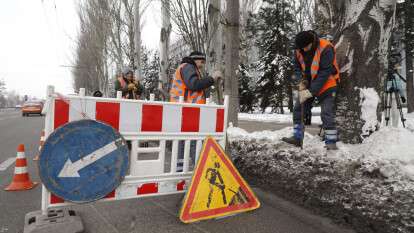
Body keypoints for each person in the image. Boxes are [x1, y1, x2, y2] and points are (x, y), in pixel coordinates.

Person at [282, 30, 340, 150]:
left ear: (312, 42)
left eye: (306, 47)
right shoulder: (299, 49)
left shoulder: (326, 48)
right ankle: (297, 137)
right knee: (298, 108)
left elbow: (324, 73)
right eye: (301, 48)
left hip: (327, 83)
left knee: (326, 112)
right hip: (309, 83)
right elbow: (297, 68)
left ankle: (331, 142)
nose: (304, 50)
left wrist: (310, 92)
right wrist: (302, 82)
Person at [170, 51, 223, 171]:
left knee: (183, 142)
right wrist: (212, 78)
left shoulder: (187, 68)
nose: (203, 65)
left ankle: (179, 171)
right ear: (195, 60)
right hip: (187, 109)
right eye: (202, 61)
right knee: (194, 141)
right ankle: (200, 170)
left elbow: (197, 90)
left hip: (185, 109)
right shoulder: (188, 67)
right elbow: (194, 85)